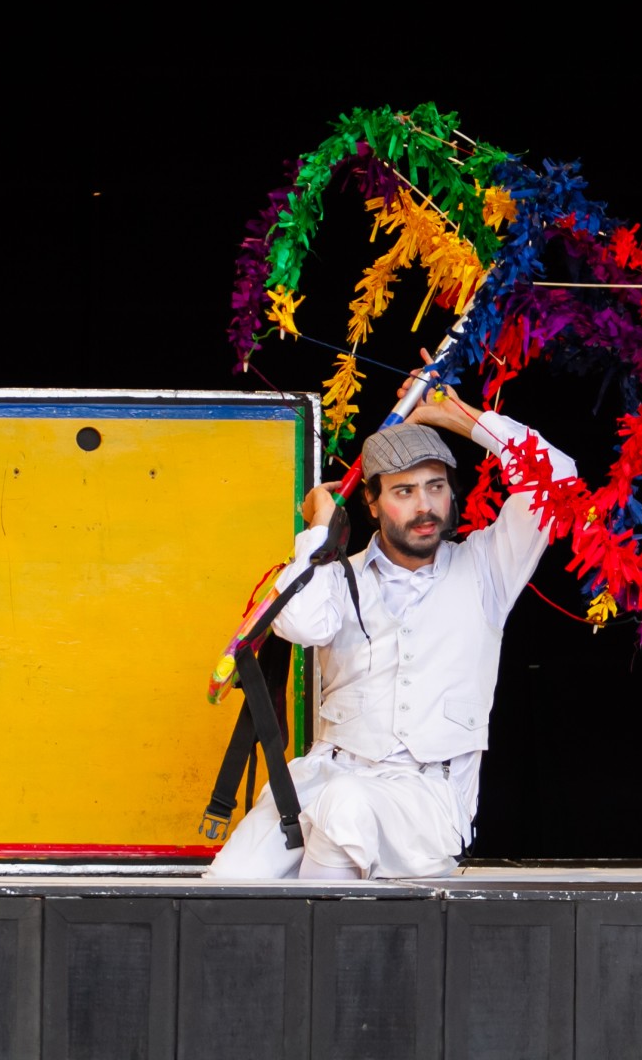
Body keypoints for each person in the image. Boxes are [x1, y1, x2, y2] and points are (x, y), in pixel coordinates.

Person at [205, 375, 574, 880]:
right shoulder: (338, 576)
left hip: (426, 801)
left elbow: (557, 478)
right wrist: (318, 529)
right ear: (373, 504)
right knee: (231, 883)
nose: (425, 506)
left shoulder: (489, 568)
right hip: (322, 777)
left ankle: (317, 951)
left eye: (436, 487)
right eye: (404, 491)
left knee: (345, 809)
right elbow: (301, 622)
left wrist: (465, 421)